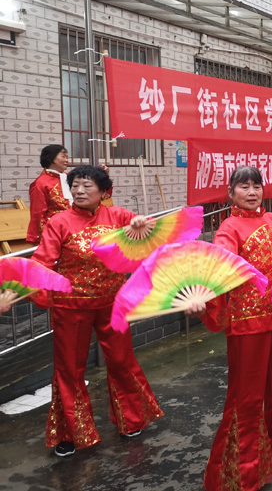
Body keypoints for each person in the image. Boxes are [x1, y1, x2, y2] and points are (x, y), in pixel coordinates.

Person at [32, 166, 163, 457]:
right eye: (75, 186)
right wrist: (30, 288)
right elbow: (42, 261)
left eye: (87, 186)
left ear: (104, 192)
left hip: (112, 304)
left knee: (121, 360)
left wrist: (142, 224)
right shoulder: (59, 222)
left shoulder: (117, 216)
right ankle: (71, 432)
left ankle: (132, 419)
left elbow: (151, 230)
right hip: (71, 307)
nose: (79, 191)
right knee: (70, 369)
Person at [199, 166, 272, 491]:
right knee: (247, 396)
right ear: (230, 193)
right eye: (244, 187)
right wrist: (203, 297)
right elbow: (219, 267)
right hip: (247, 325)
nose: (251, 193)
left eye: (256, 186)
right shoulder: (228, 229)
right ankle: (244, 470)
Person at [26, 145, 72, 243]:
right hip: (56, 232)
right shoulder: (40, 183)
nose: (67, 160)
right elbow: (38, 213)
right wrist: (44, 238)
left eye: (67, 157)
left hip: (76, 227)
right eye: (63, 156)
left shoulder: (70, 178)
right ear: (51, 158)